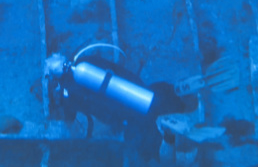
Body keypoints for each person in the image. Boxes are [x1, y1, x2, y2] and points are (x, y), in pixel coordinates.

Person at [44, 45, 238, 160]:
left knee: (147, 152)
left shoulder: (67, 92)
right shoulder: (85, 59)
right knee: (166, 94)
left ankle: (169, 131)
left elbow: (79, 116)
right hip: (142, 90)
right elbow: (116, 69)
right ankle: (195, 84)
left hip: (129, 114)